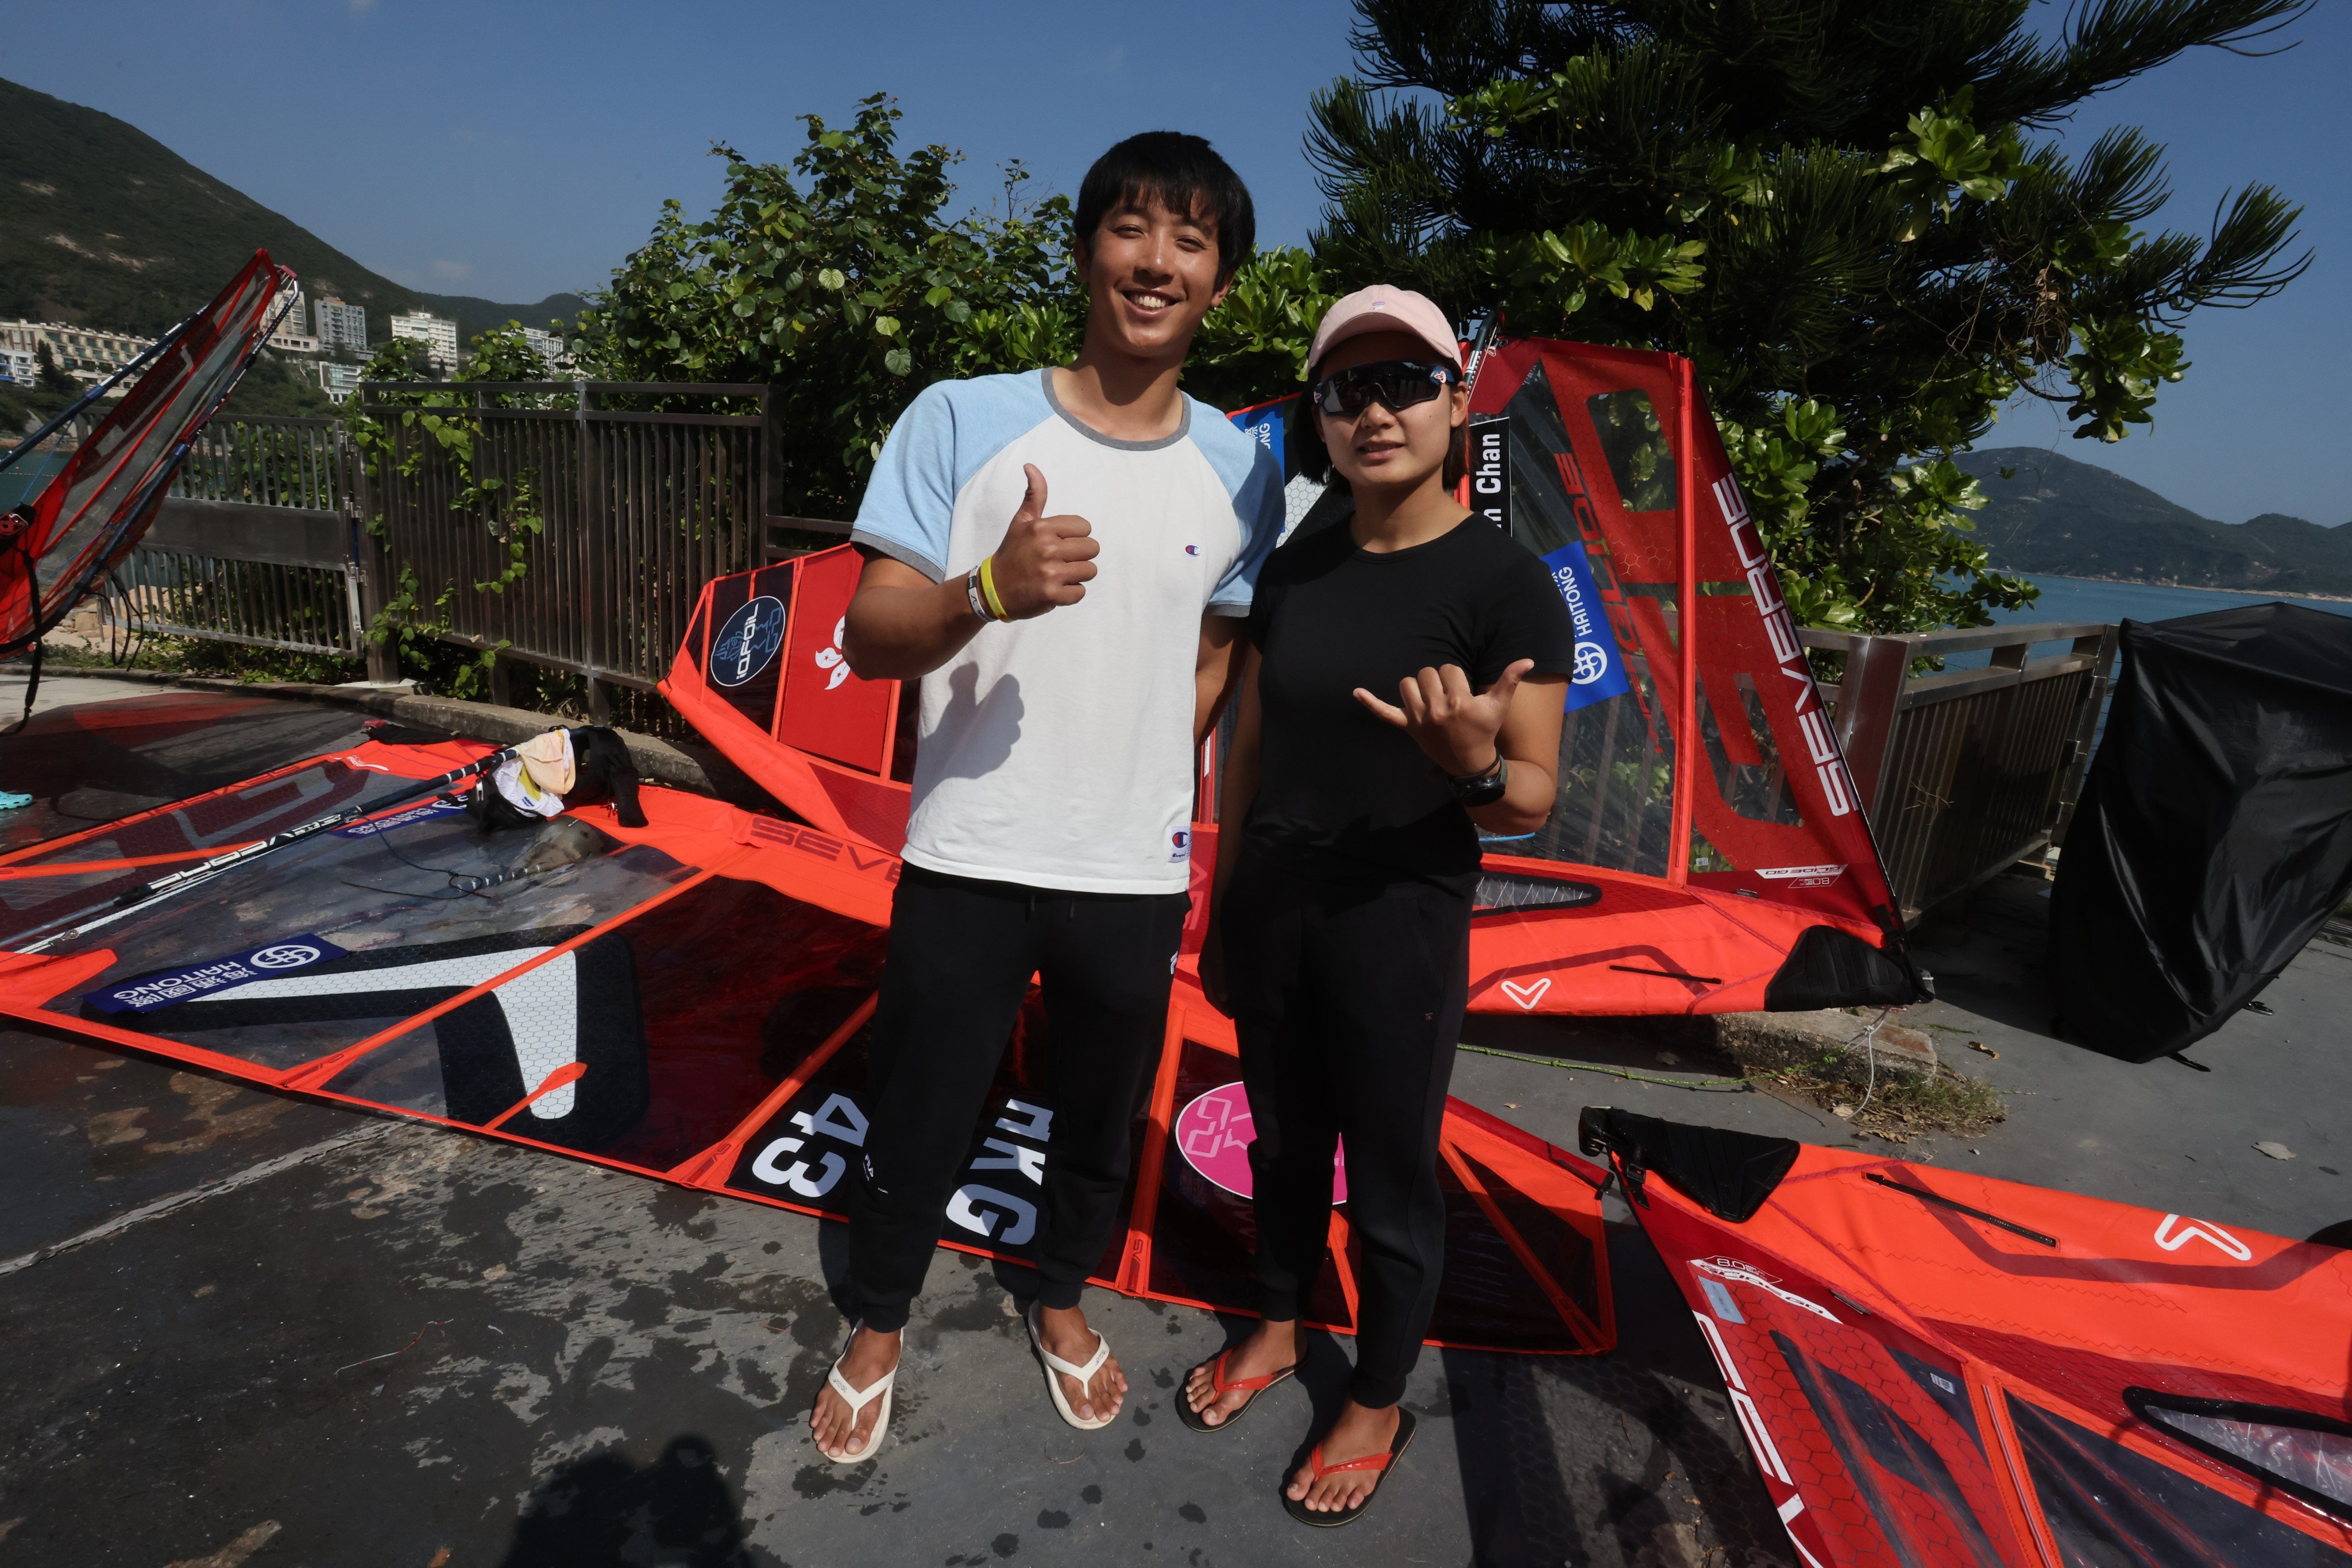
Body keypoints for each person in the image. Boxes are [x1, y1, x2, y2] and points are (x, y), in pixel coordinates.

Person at [806, 132, 1284, 1463]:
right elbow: (873, 628)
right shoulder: (962, 418)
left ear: (1219, 287)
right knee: (921, 1100)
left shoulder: (1243, 469)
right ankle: (878, 1320)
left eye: (1190, 244)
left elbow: (1218, 644)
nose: (1156, 263)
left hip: (1131, 865)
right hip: (969, 847)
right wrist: (986, 593)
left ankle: (1061, 1301)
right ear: (1086, 251)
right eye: (1133, 231)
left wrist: (1139, 753)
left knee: (1097, 1114)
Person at [1182, 287, 1574, 1525]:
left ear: (1457, 404)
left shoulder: (1508, 585)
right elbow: (1247, 743)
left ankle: (1382, 1388)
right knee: (1282, 1141)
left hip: (1397, 916)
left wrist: (1465, 762)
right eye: (1345, 388)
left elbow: (1530, 800)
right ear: (1322, 416)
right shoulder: (1299, 558)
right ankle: (1282, 1322)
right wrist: (1222, 893)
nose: (1375, 409)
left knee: (1393, 1169)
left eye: (1404, 381)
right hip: (1274, 898)